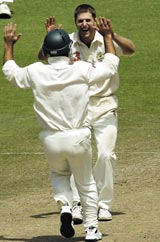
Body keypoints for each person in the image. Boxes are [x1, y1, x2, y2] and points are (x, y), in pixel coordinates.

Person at [2, 20, 119, 241]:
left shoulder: (36, 71)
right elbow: (111, 66)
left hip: (51, 139)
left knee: (59, 174)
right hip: (78, 138)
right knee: (86, 183)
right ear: (70, 50)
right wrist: (108, 37)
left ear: (46, 51)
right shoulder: (81, 69)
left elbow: (11, 72)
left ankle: (65, 206)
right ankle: (92, 229)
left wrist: (9, 44)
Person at [38, 4, 136, 224]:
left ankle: (103, 205)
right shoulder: (68, 40)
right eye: (80, 21)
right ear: (76, 23)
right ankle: (77, 205)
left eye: (88, 20)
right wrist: (50, 37)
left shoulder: (105, 39)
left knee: (105, 154)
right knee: (76, 154)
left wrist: (112, 35)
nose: (84, 24)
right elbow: (43, 57)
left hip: (105, 104)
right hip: (78, 106)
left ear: (95, 20)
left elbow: (131, 50)